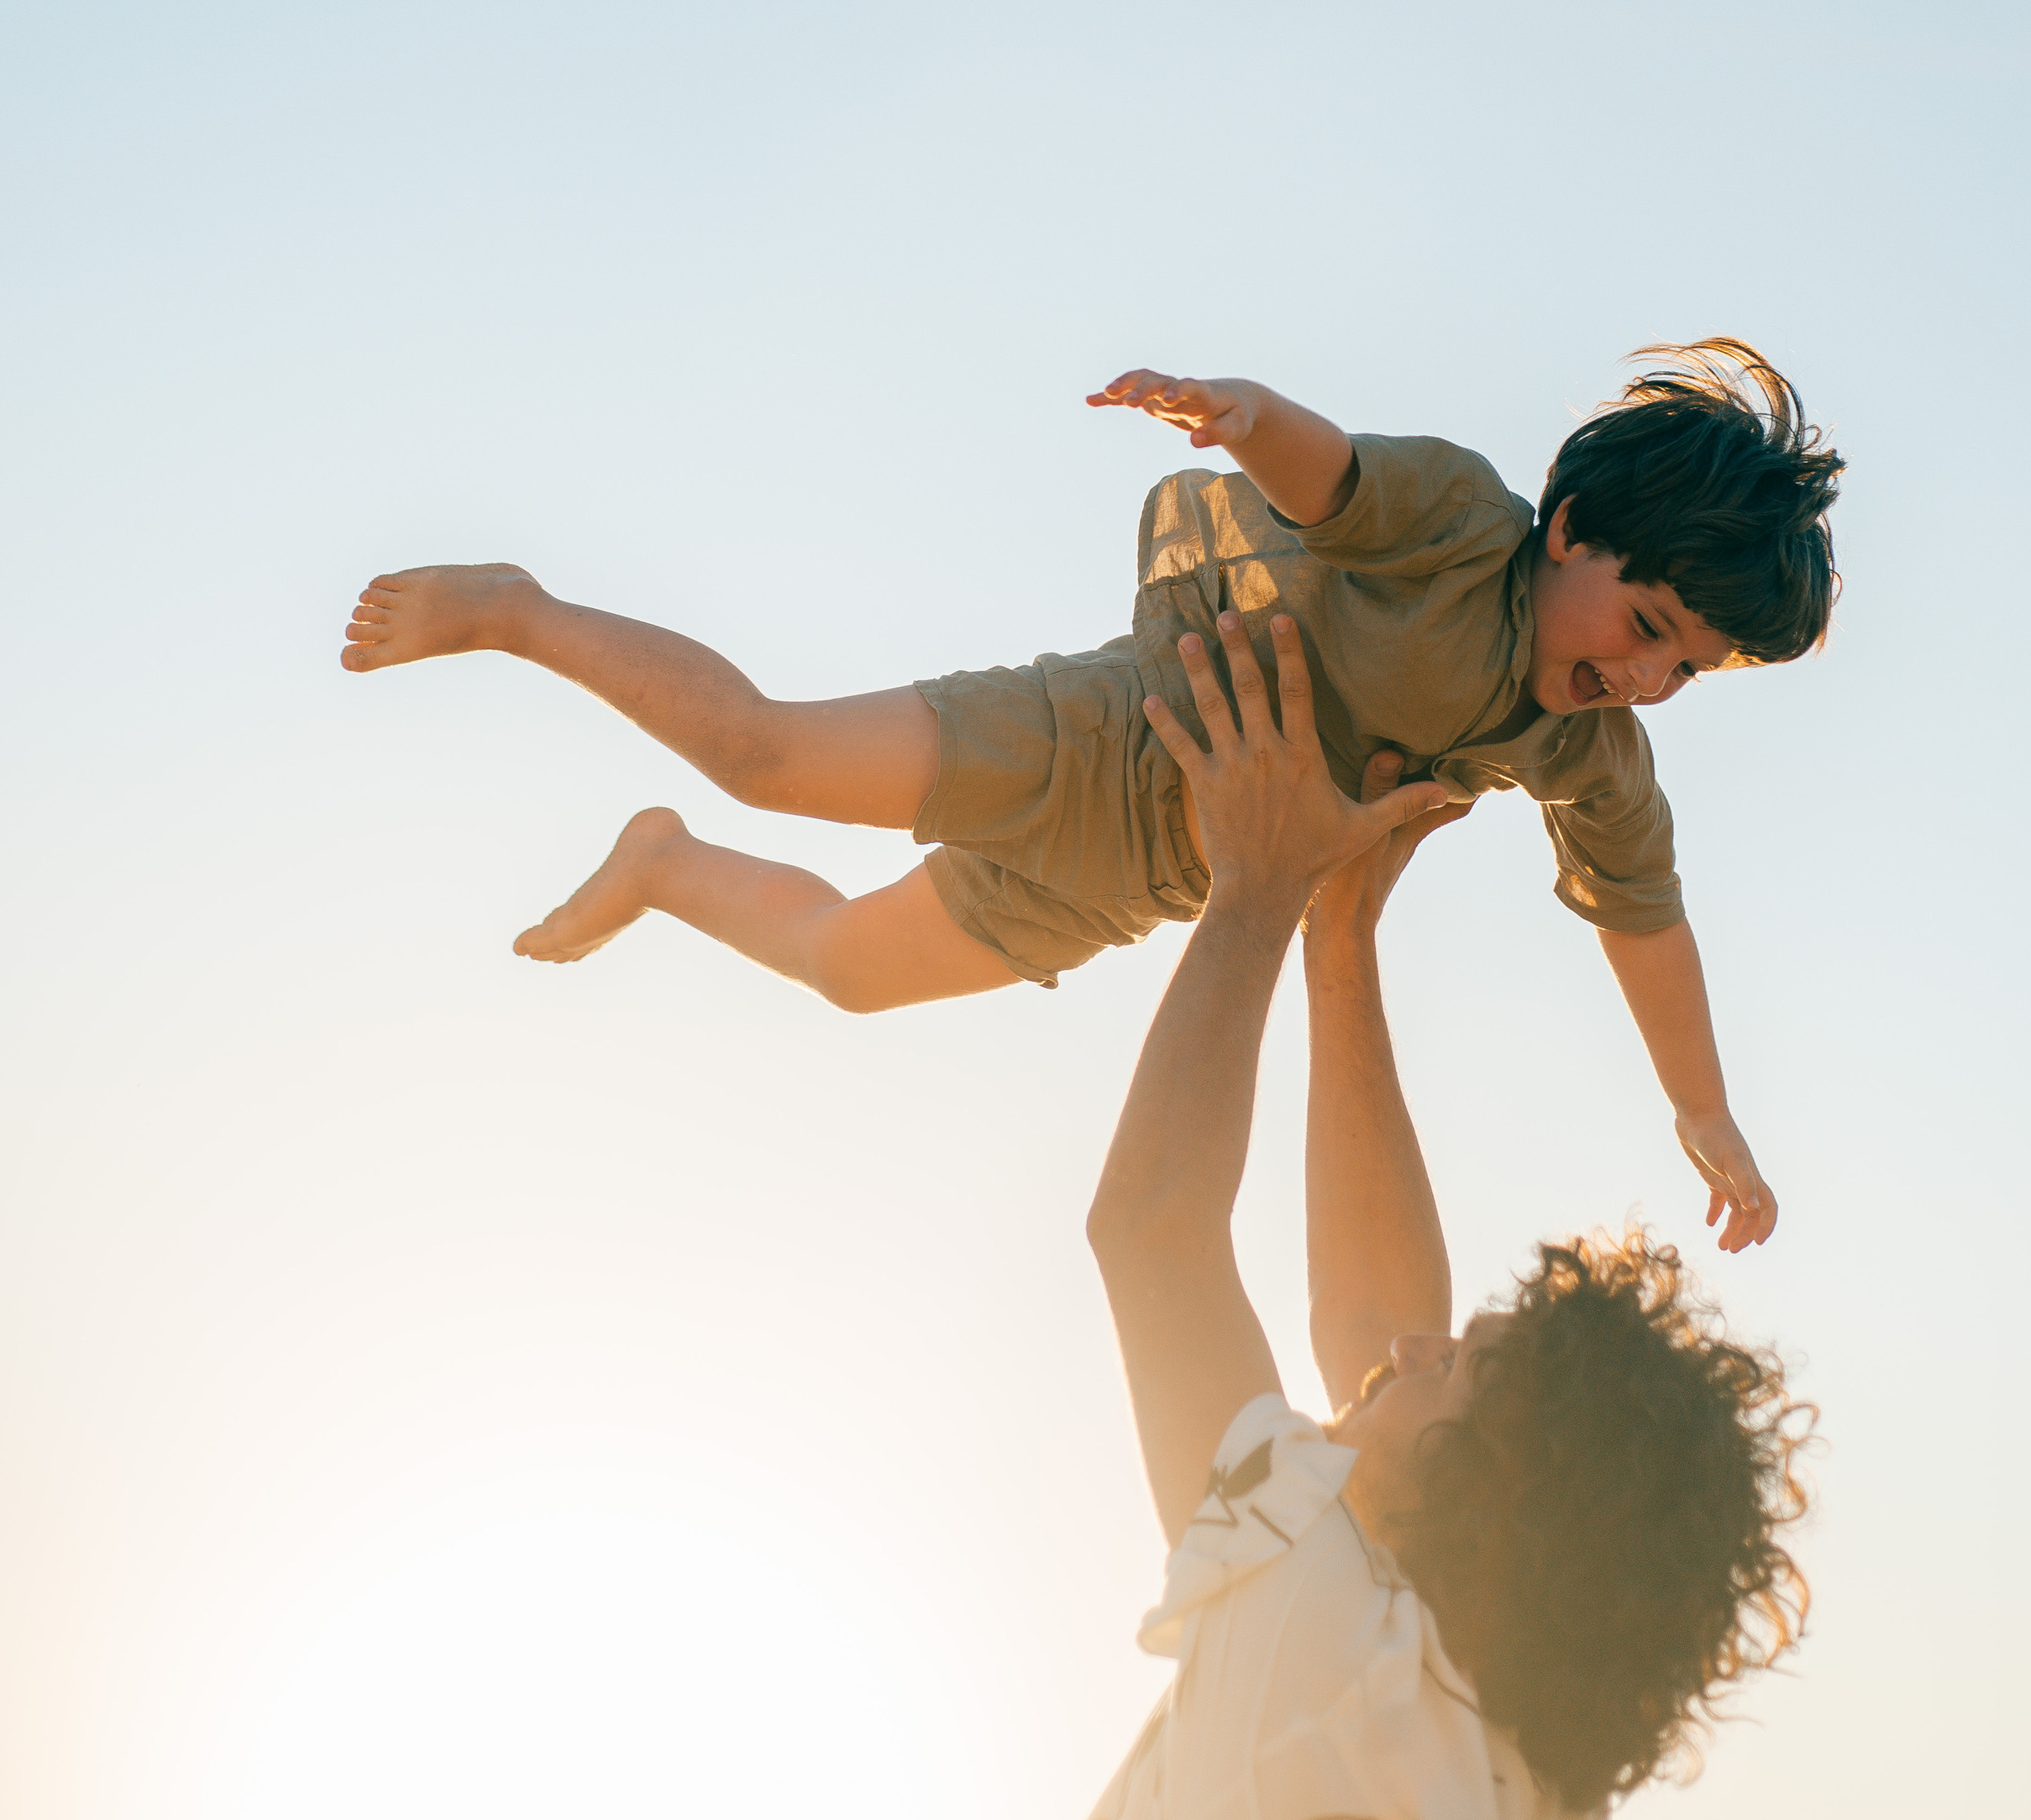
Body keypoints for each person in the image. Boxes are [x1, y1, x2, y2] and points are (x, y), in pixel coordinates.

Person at [340, 338, 1841, 1250]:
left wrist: (1703, 1109)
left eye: (1688, 670)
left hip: (1146, 881)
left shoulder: (1590, 756)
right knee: (768, 754)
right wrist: (1240, 411)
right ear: (1570, 529)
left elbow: (1644, 917)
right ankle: (516, 607)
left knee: (850, 968)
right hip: (1106, 737)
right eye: (1648, 625)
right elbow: (1335, 478)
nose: (1647, 679)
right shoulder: (1462, 526)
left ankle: (662, 863)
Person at [1061, 607, 1812, 1820]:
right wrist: (1340, 938)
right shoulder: (1534, 1780)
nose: (1415, 1347)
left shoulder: (1324, 1677)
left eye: (1457, 1366)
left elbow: (1153, 1230)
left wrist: (1258, 883)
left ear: (1493, 1499)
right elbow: (1378, 1330)